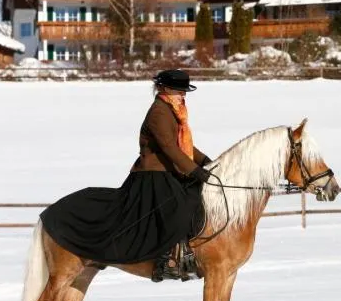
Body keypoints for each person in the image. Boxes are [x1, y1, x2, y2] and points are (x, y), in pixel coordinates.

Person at [40, 69, 214, 281]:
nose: (183, 95)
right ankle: (164, 259)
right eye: (180, 91)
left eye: (184, 91)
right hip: (153, 174)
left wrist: (205, 161)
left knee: (195, 196)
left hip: (169, 170)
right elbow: (169, 147)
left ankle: (185, 252)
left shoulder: (174, 111)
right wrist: (194, 170)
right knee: (176, 207)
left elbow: (183, 145)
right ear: (165, 89)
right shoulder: (159, 112)